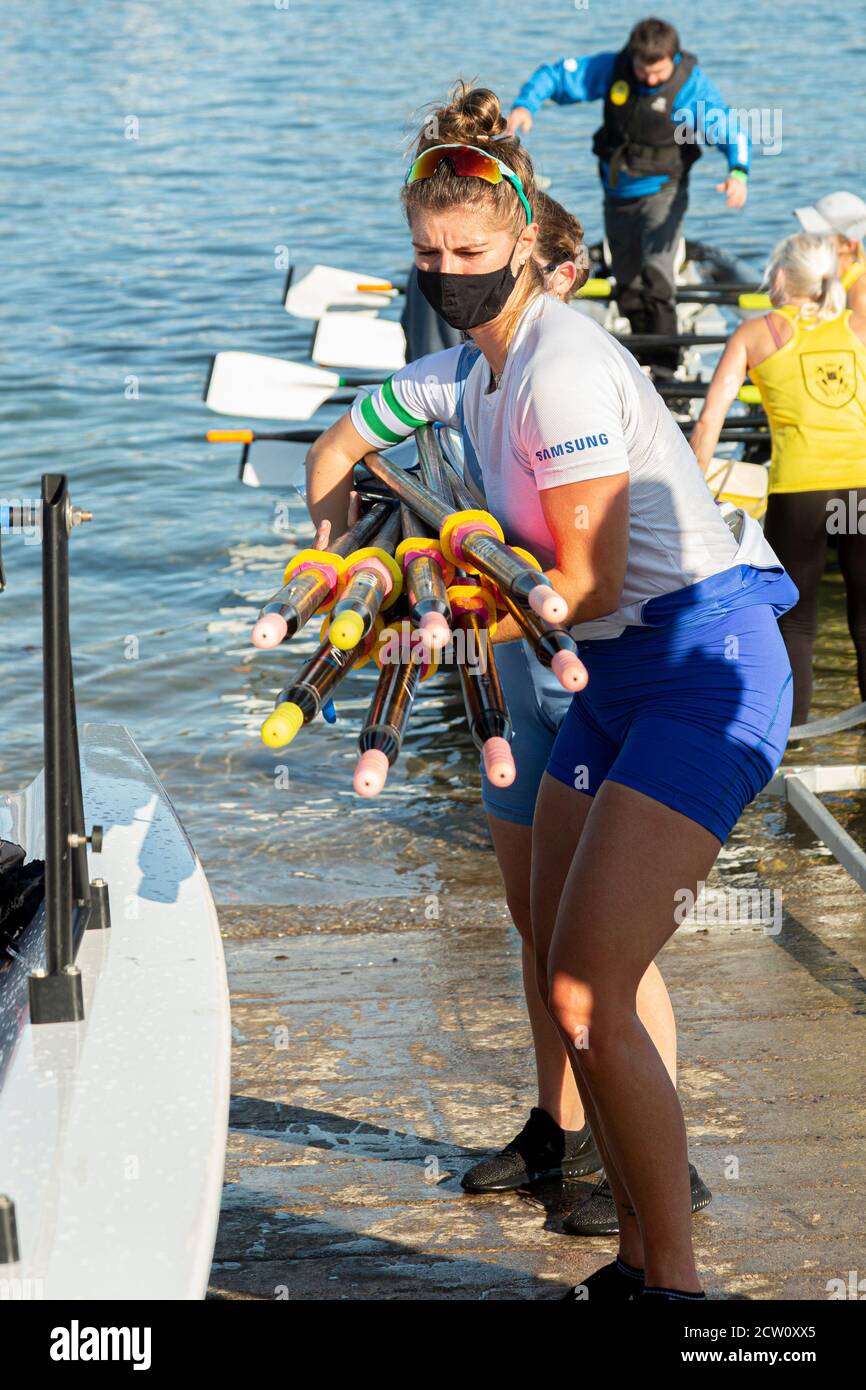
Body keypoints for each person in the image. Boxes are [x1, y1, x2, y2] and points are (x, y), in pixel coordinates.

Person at [306, 85, 796, 1300]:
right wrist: (350, 548)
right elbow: (351, 438)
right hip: (613, 683)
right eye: (426, 255)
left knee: (587, 983)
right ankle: (631, 1256)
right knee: (559, 968)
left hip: (702, 665)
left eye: (469, 253)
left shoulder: (561, 372)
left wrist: (446, 593)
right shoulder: (473, 370)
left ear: (526, 242)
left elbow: (569, 582)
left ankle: (674, 1287)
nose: (446, 272)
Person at [692, 233, 866, 724]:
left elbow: (710, 422)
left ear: (782, 277)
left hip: (801, 492)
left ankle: (793, 742)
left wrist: (687, 495)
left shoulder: (755, 334)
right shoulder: (859, 325)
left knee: (798, 623)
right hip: (861, 488)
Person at [507, 16, 750, 351]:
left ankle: (666, 364)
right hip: (617, 192)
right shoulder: (614, 69)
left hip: (664, 192)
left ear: (674, 59)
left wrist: (738, 171)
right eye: (643, 70)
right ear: (633, 56)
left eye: (658, 72)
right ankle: (640, 355)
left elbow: (728, 128)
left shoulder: (690, 87)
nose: (650, 79)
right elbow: (557, 76)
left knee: (656, 274)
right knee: (628, 280)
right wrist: (525, 106)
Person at [795, 191, 866, 316]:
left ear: (848, 245)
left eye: (817, 237)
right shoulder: (833, 278)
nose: (805, 239)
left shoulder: (860, 295)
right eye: (805, 231)